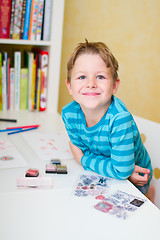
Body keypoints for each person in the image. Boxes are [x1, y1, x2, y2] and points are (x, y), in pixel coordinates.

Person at [62, 40, 155, 203]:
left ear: (114, 86)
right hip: (109, 169)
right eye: (82, 76)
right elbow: (83, 147)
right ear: (70, 86)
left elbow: (121, 171)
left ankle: (149, 194)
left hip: (135, 179)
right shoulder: (69, 114)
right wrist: (116, 168)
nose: (91, 84)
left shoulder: (119, 119)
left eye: (100, 76)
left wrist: (82, 159)